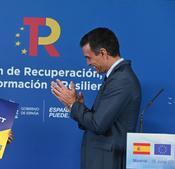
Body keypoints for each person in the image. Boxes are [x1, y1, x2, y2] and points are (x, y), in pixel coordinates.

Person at [51, 27, 141, 169]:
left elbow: (98, 125)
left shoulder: (121, 79)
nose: (88, 63)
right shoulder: (115, 77)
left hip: (107, 161)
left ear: (103, 53)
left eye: (88, 57)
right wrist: (76, 106)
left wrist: (73, 104)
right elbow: (100, 120)